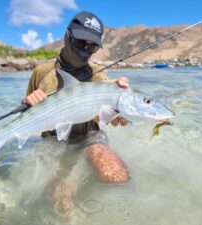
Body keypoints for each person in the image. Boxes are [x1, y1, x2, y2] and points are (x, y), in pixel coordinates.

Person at [22, 11, 129, 214]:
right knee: (58, 203)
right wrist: (29, 102)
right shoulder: (41, 73)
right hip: (54, 140)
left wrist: (116, 112)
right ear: (67, 36)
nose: (86, 50)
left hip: (90, 136)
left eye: (93, 46)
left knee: (116, 176)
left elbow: (99, 117)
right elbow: (28, 115)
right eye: (81, 42)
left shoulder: (99, 74)